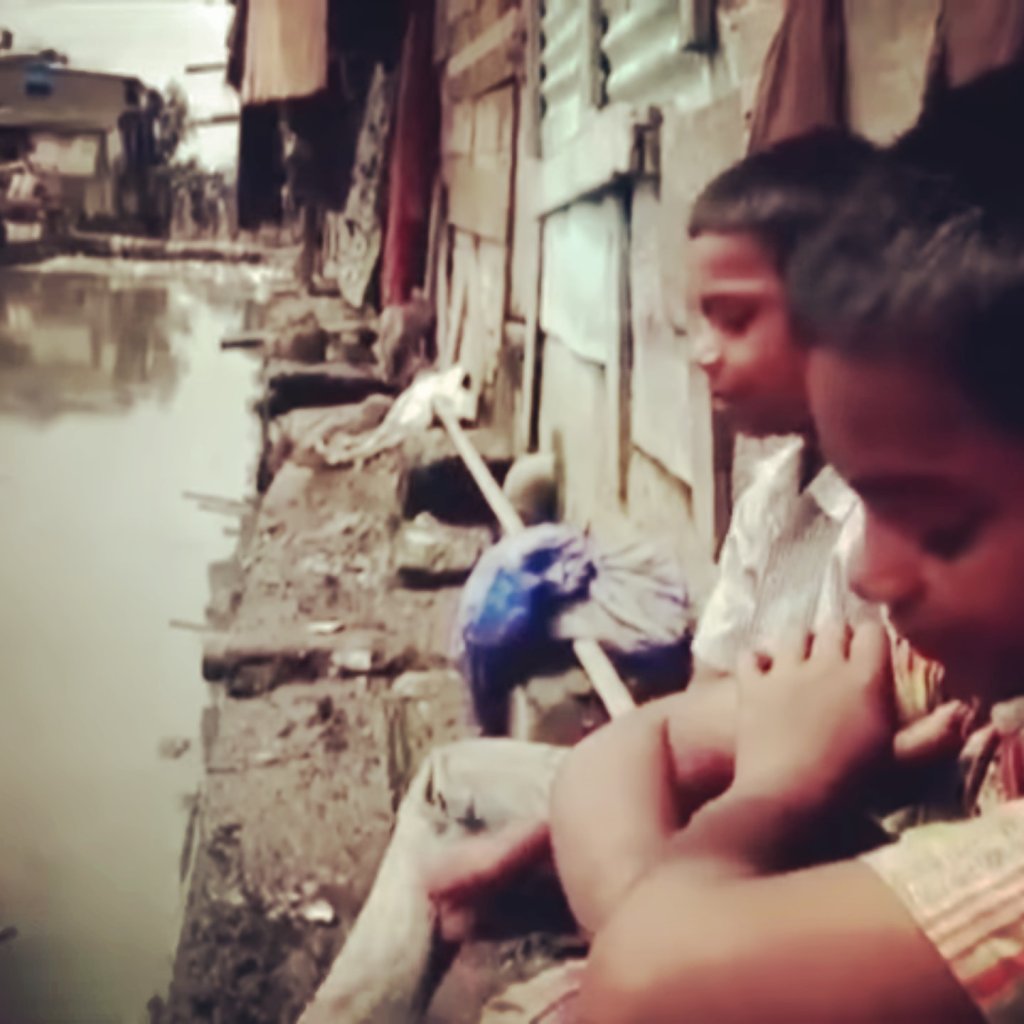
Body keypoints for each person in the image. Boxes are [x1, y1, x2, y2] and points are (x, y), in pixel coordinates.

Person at [297, 131, 892, 1023]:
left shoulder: (890, 534)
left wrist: (546, 862)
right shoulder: (773, 498)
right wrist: (540, 842)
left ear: (841, 313)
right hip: (716, 834)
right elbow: (685, 731)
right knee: (455, 783)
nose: (701, 352)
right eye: (695, 322)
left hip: (818, 879)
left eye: (734, 320)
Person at [568, 94, 1024, 1022]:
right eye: (871, 497)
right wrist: (668, 933)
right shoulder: (952, 655)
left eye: (941, 526)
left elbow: (646, 982)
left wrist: (775, 791)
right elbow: (617, 753)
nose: (869, 574)